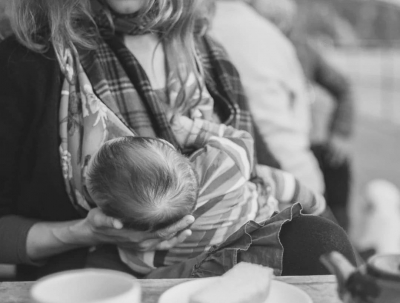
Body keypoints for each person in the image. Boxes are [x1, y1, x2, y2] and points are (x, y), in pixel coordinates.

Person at [0, 0, 357, 280]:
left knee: (322, 241)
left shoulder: (207, 54)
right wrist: (85, 233)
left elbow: (262, 173)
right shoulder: (25, 63)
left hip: (222, 253)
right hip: (97, 271)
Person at [86, 118, 326, 275]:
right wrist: (192, 130)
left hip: (240, 242)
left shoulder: (147, 249)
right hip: (261, 210)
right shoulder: (221, 163)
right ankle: (314, 201)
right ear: (166, 145)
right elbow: (241, 138)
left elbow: (136, 263)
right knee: (270, 178)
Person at [249, 0, 355, 231]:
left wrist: (340, 132)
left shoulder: (301, 49)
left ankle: (342, 239)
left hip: (304, 142)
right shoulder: (250, 47)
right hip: (267, 146)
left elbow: (343, 87)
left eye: (279, 22)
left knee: (337, 164)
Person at [211, 0, 325, 195]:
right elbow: (300, 107)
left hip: (243, 170)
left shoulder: (207, 28)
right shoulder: (273, 39)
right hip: (290, 167)